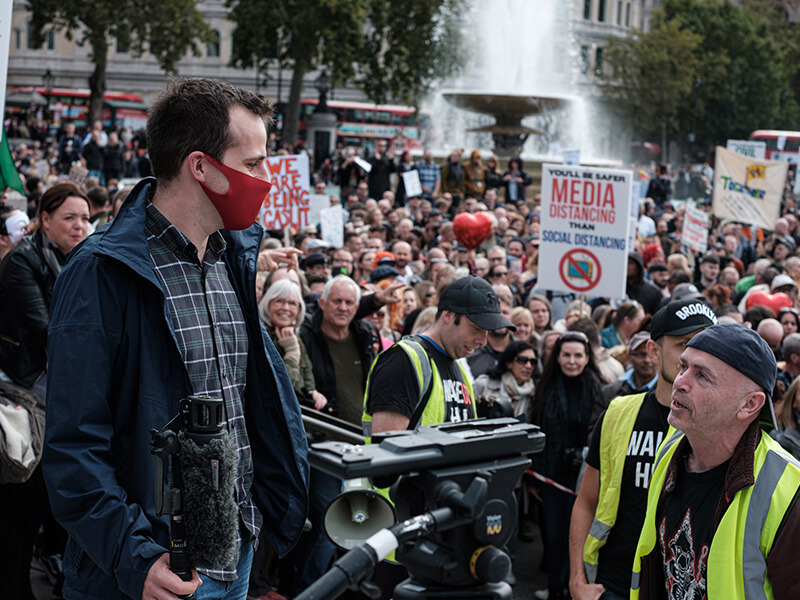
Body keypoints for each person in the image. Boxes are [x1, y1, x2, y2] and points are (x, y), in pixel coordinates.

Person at [42, 78, 309, 600]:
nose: (267, 178)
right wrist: (135, 558)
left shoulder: (233, 257)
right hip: (153, 570)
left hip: (237, 554)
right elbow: (74, 446)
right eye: (253, 163)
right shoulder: (100, 272)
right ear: (201, 167)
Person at [362, 275, 515, 598]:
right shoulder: (404, 360)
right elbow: (384, 462)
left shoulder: (457, 366)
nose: (484, 340)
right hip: (402, 536)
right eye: (477, 328)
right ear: (448, 315)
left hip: (441, 535)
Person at [631, 323, 800, 599]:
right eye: (683, 367)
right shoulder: (670, 449)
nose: (680, 382)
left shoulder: (787, 489)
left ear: (749, 405)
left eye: (702, 376)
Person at [569, 299, 717, 600]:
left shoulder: (720, 425)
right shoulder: (618, 413)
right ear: (654, 350)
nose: (697, 357)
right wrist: (576, 580)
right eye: (685, 344)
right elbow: (587, 501)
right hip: (613, 584)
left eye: (707, 346)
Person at [0, 182, 91, 600]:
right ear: (46, 219)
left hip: (56, 396)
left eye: (85, 218)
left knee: (40, 504)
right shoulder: (22, 260)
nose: (79, 226)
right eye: (70, 217)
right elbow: (49, 330)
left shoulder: (80, 260)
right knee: (18, 505)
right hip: (25, 394)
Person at [529, 330, 602, 600]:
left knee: (583, 535)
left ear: (587, 358)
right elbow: (537, 434)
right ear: (557, 357)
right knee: (555, 534)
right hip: (553, 474)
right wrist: (534, 478)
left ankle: (578, 588)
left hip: (586, 475)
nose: (572, 361)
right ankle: (555, 588)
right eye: (567, 355)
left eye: (578, 355)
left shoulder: (598, 388)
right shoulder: (545, 388)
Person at [473, 340, 537, 419]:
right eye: (523, 360)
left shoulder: (533, 394)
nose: (528, 366)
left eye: (533, 362)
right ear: (509, 363)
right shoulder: (484, 384)